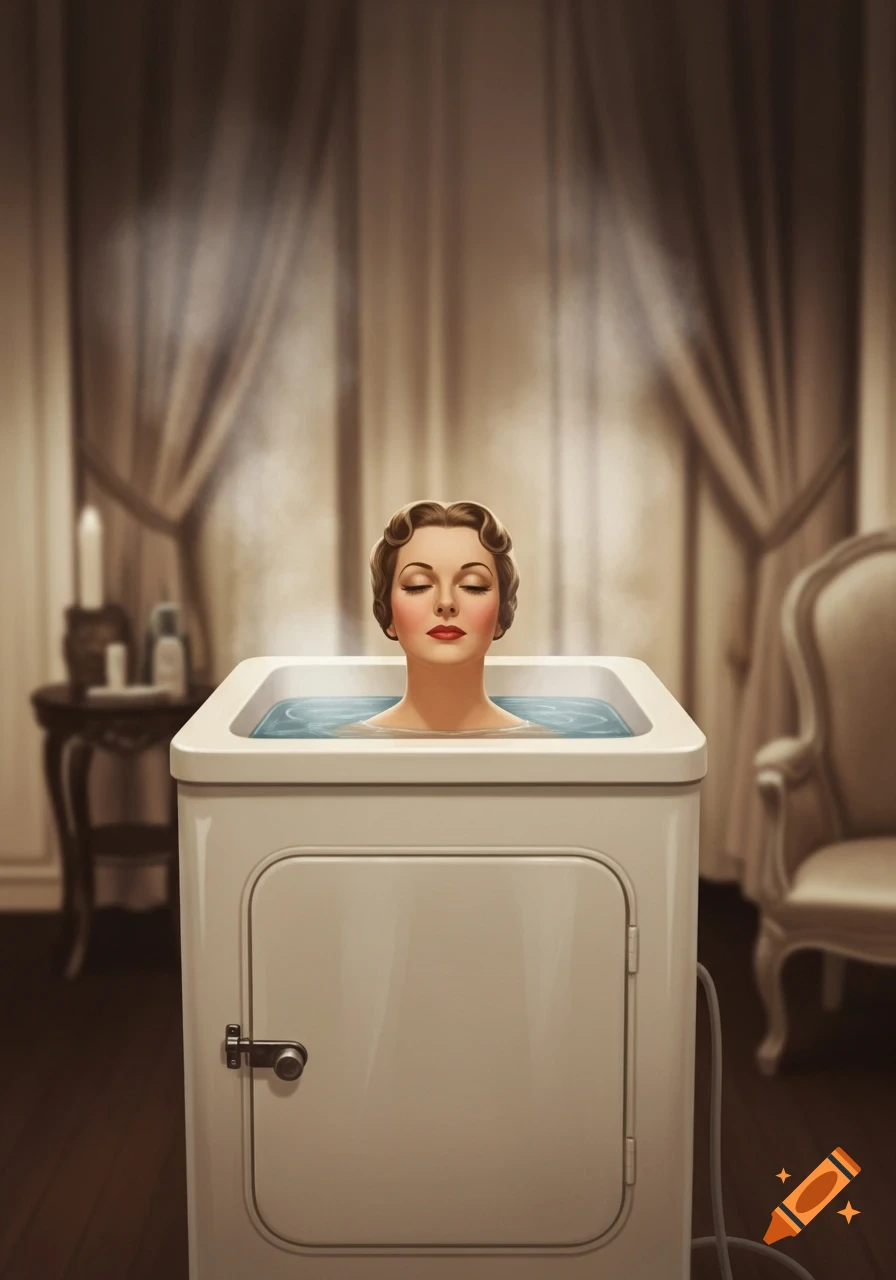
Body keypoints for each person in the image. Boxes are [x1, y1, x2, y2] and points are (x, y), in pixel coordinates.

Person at [332, 500, 556, 737]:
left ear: (502, 612)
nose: (446, 603)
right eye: (418, 585)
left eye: (474, 585)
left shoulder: (543, 744)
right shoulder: (349, 743)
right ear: (387, 612)